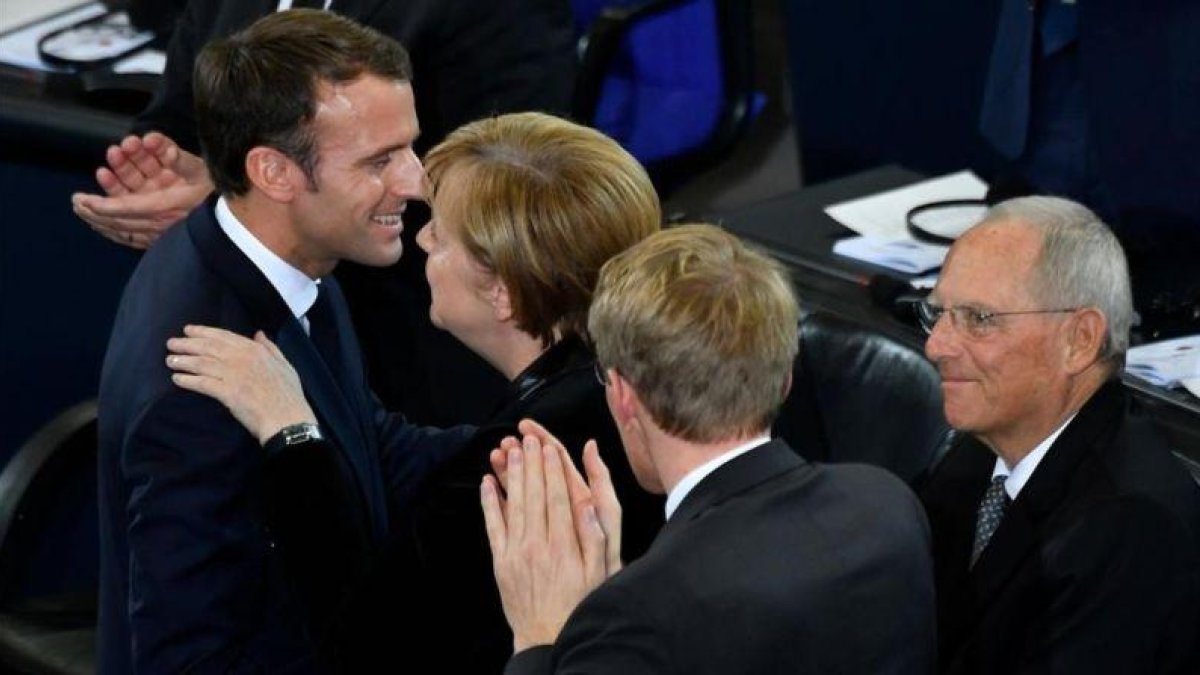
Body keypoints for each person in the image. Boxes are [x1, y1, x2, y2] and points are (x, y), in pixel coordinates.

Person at [164, 111, 666, 671]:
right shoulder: (638, 387)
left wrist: (292, 433)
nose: (422, 237)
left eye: (442, 233)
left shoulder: (511, 470)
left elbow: (362, 644)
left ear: (502, 293)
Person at [97, 12, 472, 674]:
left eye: (409, 149)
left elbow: (367, 440)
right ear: (274, 172)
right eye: (380, 160)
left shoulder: (291, 261)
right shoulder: (198, 391)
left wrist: (547, 426)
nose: (416, 183)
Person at [74, 0, 577, 424]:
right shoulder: (185, 370)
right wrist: (158, 171)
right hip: (233, 334)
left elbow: (517, 191)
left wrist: (236, 194)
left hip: (418, 359)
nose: (409, 175)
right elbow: (181, 118)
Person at [479, 224, 938, 674]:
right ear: (785, 379)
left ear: (622, 392)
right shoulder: (887, 504)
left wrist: (541, 638)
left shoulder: (640, 615)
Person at [916, 196, 1200, 674]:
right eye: (938, 314)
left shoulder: (1132, 531)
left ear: (1080, 340)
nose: (936, 345)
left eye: (979, 319)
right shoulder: (979, 451)